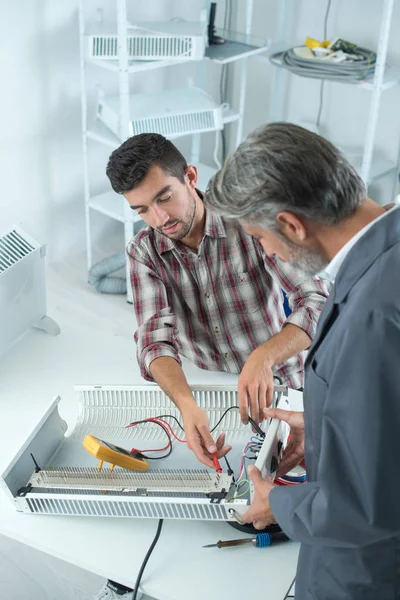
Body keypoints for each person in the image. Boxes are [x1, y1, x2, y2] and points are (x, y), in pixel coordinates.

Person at [205, 121, 400, 599]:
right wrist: (324, 425)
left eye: (260, 237)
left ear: (292, 224)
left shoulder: (374, 313)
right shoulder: (384, 254)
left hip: (368, 573)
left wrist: (279, 505)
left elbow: (366, 508)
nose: (266, 249)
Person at [106, 133, 329, 468]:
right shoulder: (142, 251)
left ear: (191, 177)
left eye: (165, 198)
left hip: (280, 374)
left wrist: (263, 357)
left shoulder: (246, 221)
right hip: (209, 385)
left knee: (308, 471)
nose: (159, 218)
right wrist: (185, 403)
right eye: (142, 210)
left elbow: (315, 300)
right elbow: (154, 342)